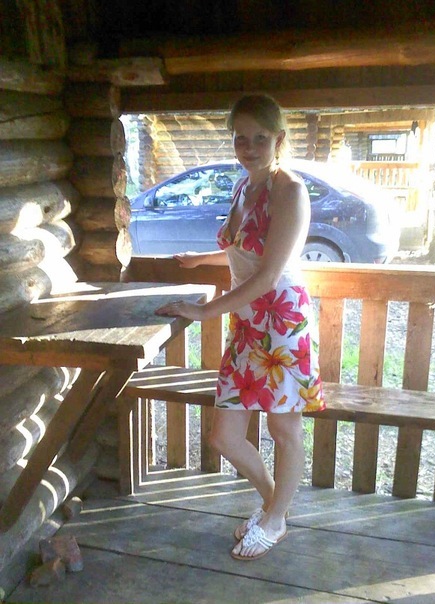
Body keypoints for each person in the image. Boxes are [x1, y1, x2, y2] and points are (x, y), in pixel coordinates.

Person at [156, 94, 325, 561]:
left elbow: (269, 273)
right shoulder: (244, 186)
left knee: (283, 427)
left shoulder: (289, 191)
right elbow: (245, 248)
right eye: (240, 138)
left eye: (260, 138)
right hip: (248, 323)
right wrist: (202, 258)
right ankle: (276, 507)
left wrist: (204, 312)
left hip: (281, 321)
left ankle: (275, 517)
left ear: (279, 139)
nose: (249, 147)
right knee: (224, 437)